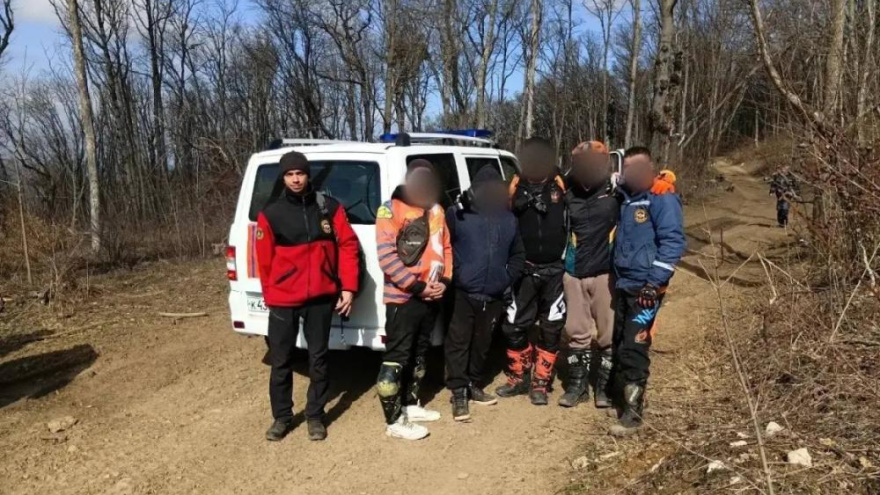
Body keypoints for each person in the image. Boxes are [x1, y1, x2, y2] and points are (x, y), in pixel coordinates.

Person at [255, 151, 360, 442]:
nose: (295, 179)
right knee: (281, 362)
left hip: (321, 298)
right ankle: (282, 417)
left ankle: (315, 415)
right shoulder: (271, 213)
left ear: (307, 175)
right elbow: (264, 261)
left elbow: (348, 246)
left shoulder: (328, 208)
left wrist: (348, 287)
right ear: (283, 178)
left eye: (300, 173)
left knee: (319, 359)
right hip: (283, 300)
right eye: (289, 175)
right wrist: (271, 295)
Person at [610, 146, 686, 435]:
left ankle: (633, 412)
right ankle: (619, 395)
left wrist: (654, 283)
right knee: (619, 340)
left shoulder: (662, 197)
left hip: (647, 287)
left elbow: (673, 243)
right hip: (624, 283)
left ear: (652, 167)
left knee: (635, 345)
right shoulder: (625, 197)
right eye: (629, 168)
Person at [374, 159, 453, 440]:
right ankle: (394, 421)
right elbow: (386, 257)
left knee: (420, 353)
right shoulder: (390, 209)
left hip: (432, 296)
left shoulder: (437, 209)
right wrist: (417, 287)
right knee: (397, 357)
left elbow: (446, 248)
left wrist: (445, 281)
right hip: (403, 298)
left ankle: (411, 404)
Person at [445, 165, 526, 421]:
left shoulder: (508, 218)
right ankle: (458, 391)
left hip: (494, 294)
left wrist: (506, 279)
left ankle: (473, 384)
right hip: (463, 292)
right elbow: (445, 247)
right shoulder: (457, 215)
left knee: (482, 343)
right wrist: (457, 275)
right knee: (458, 342)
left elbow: (518, 254)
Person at [497, 137, 568, 405]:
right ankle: (519, 376)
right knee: (513, 326)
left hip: (555, 270)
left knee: (551, 328)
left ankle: (541, 381)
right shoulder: (514, 186)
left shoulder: (562, 183)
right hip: (523, 270)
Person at [559, 141, 619, 409]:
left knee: (608, 333)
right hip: (574, 272)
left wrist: (664, 184)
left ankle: (605, 387)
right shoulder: (566, 190)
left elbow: (647, 196)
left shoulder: (616, 189)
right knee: (576, 331)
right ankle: (578, 385)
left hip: (606, 272)